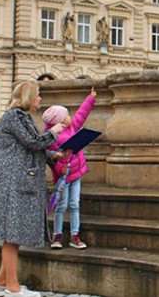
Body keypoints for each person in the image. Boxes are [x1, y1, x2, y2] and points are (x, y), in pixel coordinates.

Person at [0, 81, 65, 297]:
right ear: (28, 97)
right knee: (12, 235)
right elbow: (33, 142)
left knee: (13, 232)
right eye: (37, 96)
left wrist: (50, 155)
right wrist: (54, 132)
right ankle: (13, 288)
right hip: (12, 182)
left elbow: (26, 147)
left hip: (14, 181)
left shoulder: (21, 117)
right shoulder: (15, 116)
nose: (40, 100)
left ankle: (1, 283)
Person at [41, 86, 96, 250]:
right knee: (62, 205)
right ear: (59, 120)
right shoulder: (52, 136)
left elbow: (82, 113)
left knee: (74, 204)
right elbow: (51, 159)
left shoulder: (72, 128)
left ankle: (75, 234)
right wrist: (59, 170)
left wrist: (90, 98)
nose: (70, 117)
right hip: (63, 177)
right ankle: (57, 235)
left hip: (76, 174)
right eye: (66, 115)